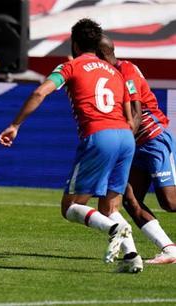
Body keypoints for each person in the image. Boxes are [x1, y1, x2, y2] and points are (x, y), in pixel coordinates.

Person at [0, 18, 143, 273]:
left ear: (74, 43)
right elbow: (131, 118)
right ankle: (131, 257)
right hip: (126, 138)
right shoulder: (115, 72)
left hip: (101, 135)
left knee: (70, 207)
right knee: (109, 206)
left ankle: (113, 229)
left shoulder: (70, 66)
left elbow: (40, 92)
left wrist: (15, 124)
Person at [97, 35, 176, 264]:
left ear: (102, 56)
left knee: (170, 203)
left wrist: (120, 148)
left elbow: (137, 115)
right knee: (130, 200)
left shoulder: (126, 70)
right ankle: (169, 249)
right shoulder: (107, 75)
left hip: (152, 140)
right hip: (136, 144)